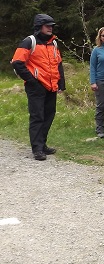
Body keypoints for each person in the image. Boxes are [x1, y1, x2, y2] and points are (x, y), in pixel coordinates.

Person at [11, 14, 66, 161]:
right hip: (36, 87)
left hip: (51, 85)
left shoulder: (53, 43)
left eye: (51, 26)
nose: (50, 28)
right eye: (47, 25)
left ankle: (42, 145)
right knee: (37, 117)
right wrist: (32, 81)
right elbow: (17, 62)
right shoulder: (29, 41)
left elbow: (58, 63)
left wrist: (61, 83)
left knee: (49, 115)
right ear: (39, 26)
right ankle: (37, 149)